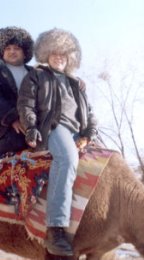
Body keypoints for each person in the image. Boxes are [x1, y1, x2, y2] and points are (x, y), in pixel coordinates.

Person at [17, 28, 98, 256]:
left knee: (106, 163)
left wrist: (91, 130)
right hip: (53, 127)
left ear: (70, 57)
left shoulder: (76, 84)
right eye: (54, 52)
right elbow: (26, 103)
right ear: (46, 54)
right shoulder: (37, 75)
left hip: (78, 133)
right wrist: (31, 127)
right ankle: (55, 229)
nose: (58, 56)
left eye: (63, 53)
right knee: (67, 159)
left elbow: (89, 112)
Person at [0, 26, 34, 156]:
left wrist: (74, 80)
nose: (12, 51)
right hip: (6, 128)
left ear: (25, 52)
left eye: (17, 48)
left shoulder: (35, 73)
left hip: (34, 124)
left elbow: (54, 86)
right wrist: (12, 118)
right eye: (8, 48)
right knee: (17, 141)